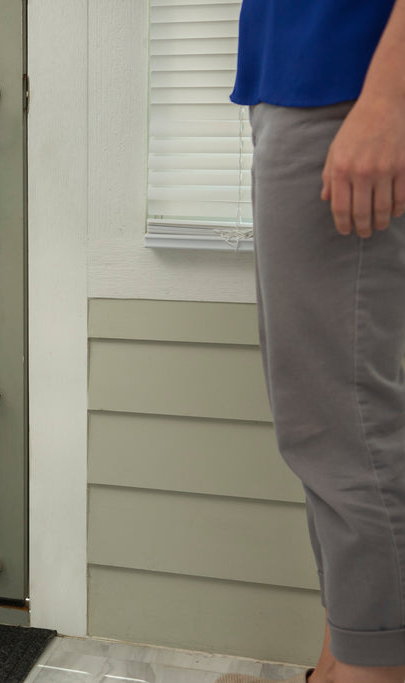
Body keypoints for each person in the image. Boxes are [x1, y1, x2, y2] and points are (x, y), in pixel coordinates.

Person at [217, 2, 405, 683]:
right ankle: (338, 664)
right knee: (322, 418)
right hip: (311, 81)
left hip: (350, 86)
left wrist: (388, 99)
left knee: (341, 421)